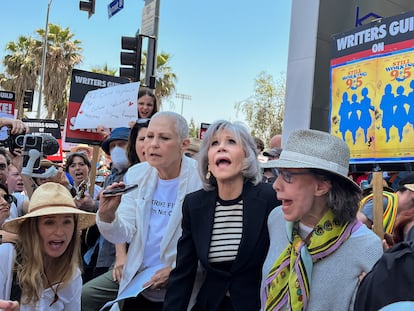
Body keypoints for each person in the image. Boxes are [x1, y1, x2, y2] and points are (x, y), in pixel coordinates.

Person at [163, 120, 280, 311]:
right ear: (208, 160)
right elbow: (184, 272)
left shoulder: (270, 199)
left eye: (231, 142)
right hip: (210, 305)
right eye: (214, 144)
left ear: (247, 157)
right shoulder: (194, 205)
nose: (221, 148)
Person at [261, 129, 383, 311]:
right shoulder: (276, 220)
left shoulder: (367, 248)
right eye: (278, 172)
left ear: (321, 186)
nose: (276, 185)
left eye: (287, 176)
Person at [96, 111, 203, 310]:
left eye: (164, 137)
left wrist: (176, 271)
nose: (153, 144)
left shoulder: (202, 180)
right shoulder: (137, 174)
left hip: (181, 290)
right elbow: (123, 232)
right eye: (149, 137)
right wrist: (107, 215)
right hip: (138, 287)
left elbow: (206, 244)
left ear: (184, 145)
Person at [81, 122, 149, 311]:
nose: (148, 145)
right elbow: (119, 216)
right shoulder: (120, 176)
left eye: (122, 144)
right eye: (113, 145)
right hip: (105, 254)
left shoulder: (158, 177)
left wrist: (121, 257)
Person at [1, 182, 96, 310]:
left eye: (67, 221)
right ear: (33, 228)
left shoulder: (72, 275)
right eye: (49, 222)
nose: (59, 232)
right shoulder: (7, 257)